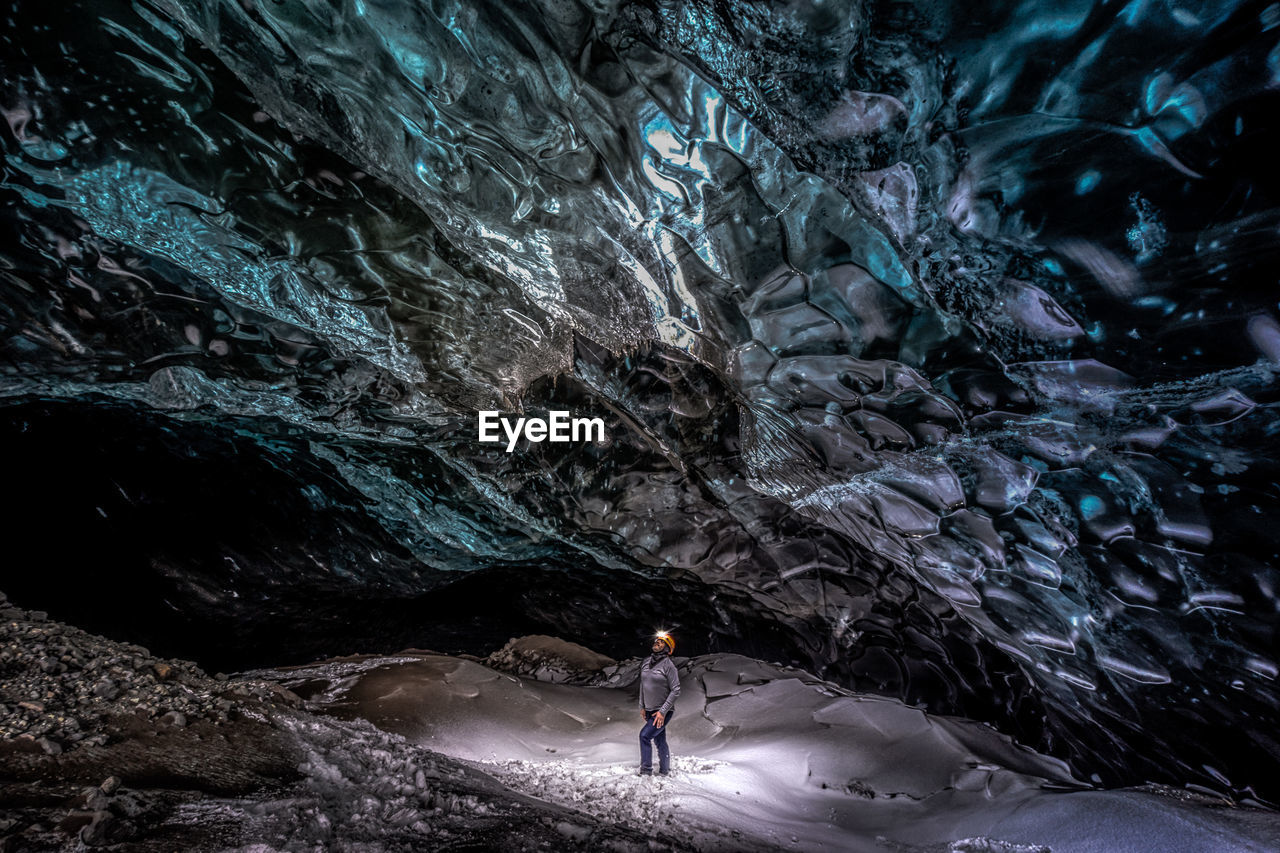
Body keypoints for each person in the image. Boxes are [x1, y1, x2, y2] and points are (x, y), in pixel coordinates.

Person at [638, 631, 680, 776]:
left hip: (663, 711)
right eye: (657, 640)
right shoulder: (646, 662)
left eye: (661, 642)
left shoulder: (669, 666)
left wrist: (662, 712)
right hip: (649, 710)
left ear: (667, 648)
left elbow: (676, 689)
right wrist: (642, 706)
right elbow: (643, 685)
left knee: (644, 736)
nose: (657, 642)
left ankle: (646, 771)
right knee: (660, 741)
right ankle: (664, 770)